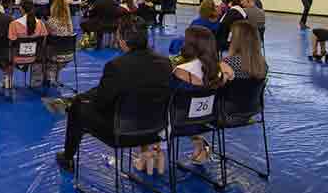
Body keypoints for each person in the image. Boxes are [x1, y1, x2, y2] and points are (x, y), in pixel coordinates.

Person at [56, 15, 171, 172]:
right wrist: (85, 97)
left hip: (123, 131)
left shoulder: (116, 66)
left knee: (76, 110)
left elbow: (101, 103)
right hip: (157, 128)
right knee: (81, 102)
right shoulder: (165, 62)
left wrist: (79, 101)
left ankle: (68, 157)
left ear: (122, 40)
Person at [172, 26, 224, 164]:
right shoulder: (218, 71)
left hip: (180, 122)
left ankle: (150, 152)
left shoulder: (181, 71)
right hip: (208, 120)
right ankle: (200, 144)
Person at [6, 0, 49, 88]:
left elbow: (10, 43)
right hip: (35, 58)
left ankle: (7, 82)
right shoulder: (41, 24)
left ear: (21, 9)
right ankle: (37, 81)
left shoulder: (14, 24)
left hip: (16, 59)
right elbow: (43, 43)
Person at [44, 0, 74, 84]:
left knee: (45, 45)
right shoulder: (69, 22)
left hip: (55, 55)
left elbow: (45, 38)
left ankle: (49, 75)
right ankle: (54, 76)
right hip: (68, 54)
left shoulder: (50, 22)